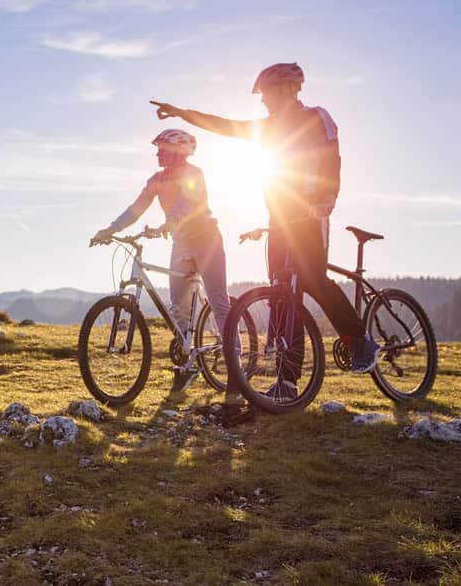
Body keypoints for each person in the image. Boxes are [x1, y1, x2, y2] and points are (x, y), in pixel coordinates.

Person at [150, 62, 380, 404]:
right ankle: (287, 383)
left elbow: (332, 159)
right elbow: (227, 126)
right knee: (282, 297)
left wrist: (326, 201)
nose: (264, 101)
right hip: (281, 219)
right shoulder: (269, 128)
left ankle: (360, 339)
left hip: (311, 214)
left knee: (313, 280)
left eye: (268, 94)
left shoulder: (317, 117)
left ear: (289, 89)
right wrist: (184, 114)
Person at [90, 129, 243, 408]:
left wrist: (169, 222)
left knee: (220, 303)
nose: (158, 153)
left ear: (178, 152)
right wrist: (110, 230)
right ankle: (186, 368)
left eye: (162, 148)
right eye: (158, 148)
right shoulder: (157, 180)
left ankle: (236, 375)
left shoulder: (193, 174)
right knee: (179, 309)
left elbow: (188, 203)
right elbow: (136, 209)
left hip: (207, 241)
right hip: (181, 244)